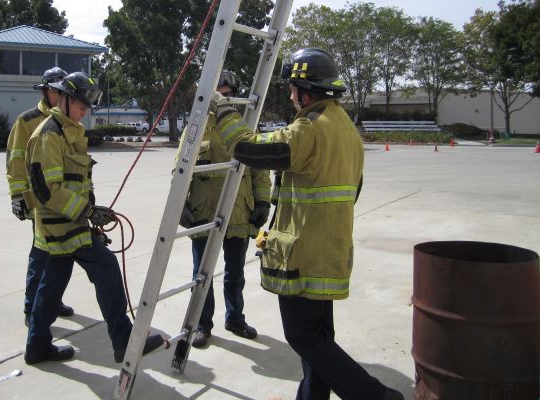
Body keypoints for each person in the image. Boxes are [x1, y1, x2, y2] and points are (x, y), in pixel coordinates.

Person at [208, 49, 404, 400]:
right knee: (319, 339)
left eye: (291, 88)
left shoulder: (310, 129)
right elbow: (354, 189)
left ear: (304, 90)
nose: (290, 95)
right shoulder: (345, 127)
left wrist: (222, 107)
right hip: (331, 251)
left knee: (304, 338)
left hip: (304, 254)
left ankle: (378, 397)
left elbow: (248, 149)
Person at [23, 71, 164, 364]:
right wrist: (86, 211)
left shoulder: (67, 131)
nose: (84, 110)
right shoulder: (49, 135)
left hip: (71, 223)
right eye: (79, 103)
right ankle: (123, 341)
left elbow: (75, 181)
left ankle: (37, 346)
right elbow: (47, 189)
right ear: (62, 98)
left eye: (87, 105)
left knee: (52, 285)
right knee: (106, 268)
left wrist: (91, 216)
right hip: (61, 225)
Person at [179, 70, 271, 348]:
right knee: (201, 275)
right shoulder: (194, 129)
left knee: (235, 274)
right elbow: (180, 169)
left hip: (238, 212)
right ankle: (202, 325)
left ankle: (235, 319)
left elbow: (259, 169)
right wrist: (181, 204)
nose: (221, 99)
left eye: (226, 94)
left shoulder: (245, 128)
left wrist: (263, 201)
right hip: (203, 212)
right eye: (216, 94)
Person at [6, 67, 74, 326]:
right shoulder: (27, 120)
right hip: (40, 201)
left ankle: (52, 301)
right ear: (45, 91)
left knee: (62, 254)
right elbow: (15, 160)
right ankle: (31, 307)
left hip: (64, 200)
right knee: (41, 254)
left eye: (63, 91)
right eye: (57, 91)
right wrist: (17, 197)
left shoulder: (69, 121)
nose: (60, 96)